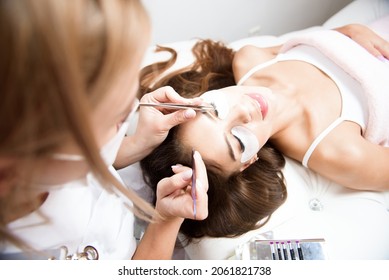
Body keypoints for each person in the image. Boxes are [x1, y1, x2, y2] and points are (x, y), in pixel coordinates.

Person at [138, 22, 389, 242]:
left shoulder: (249, 60)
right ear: (248, 163)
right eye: (237, 139)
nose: (244, 112)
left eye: (215, 108)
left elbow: (322, 43)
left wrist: (349, 31)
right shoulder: (340, 152)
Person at [0, 0, 209, 260]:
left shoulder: (48, 166)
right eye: (118, 119)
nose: (135, 106)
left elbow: (83, 167)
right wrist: (165, 222)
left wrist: (138, 142)